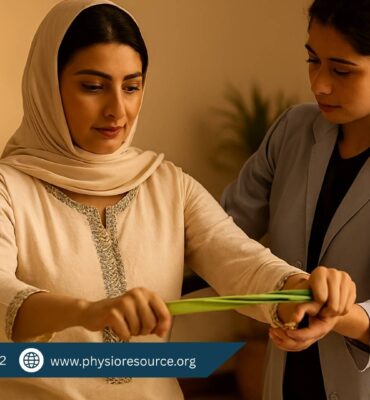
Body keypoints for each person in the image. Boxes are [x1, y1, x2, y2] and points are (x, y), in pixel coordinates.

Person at [0, 0, 355, 399]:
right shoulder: (9, 189)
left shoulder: (167, 185)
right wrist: (89, 311)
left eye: (131, 87)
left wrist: (302, 290)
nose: (118, 109)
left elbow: (239, 259)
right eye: (93, 86)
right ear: (47, 85)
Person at [221, 0, 370, 399]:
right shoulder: (294, 130)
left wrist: (340, 315)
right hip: (286, 379)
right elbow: (220, 238)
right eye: (312, 60)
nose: (319, 83)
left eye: (341, 70)